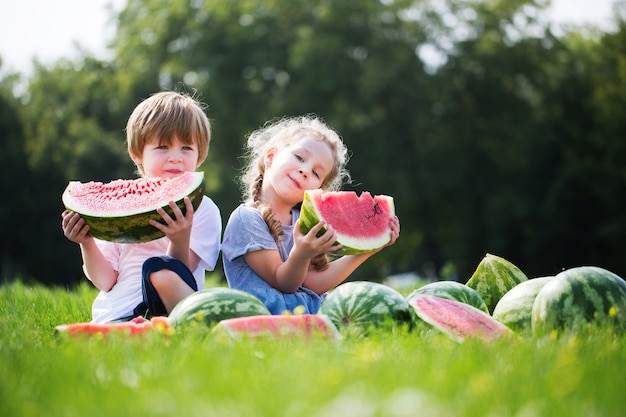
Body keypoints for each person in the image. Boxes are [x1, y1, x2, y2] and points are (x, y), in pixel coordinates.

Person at [61, 91, 222, 323]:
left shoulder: (203, 209)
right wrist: (86, 243)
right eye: (163, 147)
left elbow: (182, 274)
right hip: (119, 312)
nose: (176, 157)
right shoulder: (118, 207)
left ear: (200, 156)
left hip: (173, 308)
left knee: (159, 267)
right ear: (137, 154)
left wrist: (179, 239)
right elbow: (105, 281)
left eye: (186, 148)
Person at [221, 115, 400, 315]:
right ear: (270, 157)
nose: (305, 170)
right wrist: (302, 252)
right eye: (299, 158)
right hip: (269, 317)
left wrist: (367, 249)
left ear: (318, 189)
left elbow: (312, 284)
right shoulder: (246, 219)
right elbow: (284, 282)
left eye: (316, 173)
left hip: (306, 315)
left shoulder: (302, 220)